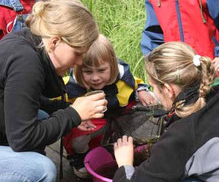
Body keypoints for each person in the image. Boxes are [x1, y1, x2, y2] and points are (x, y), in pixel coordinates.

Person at [0, 0, 107, 182]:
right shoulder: (26, 64)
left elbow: (24, 100)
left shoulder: (25, 41)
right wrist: (73, 114)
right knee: (41, 169)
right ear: (55, 42)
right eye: (78, 53)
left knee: (43, 116)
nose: (79, 61)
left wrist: (65, 111)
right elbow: (23, 138)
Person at [113, 42, 219, 181]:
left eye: (154, 88)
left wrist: (124, 163)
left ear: (168, 89)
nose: (154, 93)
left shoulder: (183, 135)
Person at [62, 34, 158, 178]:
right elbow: (57, 103)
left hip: (119, 114)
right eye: (88, 71)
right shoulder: (71, 85)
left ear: (112, 66)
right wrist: (75, 115)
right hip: (91, 122)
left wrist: (142, 90)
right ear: (78, 69)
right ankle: (80, 156)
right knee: (77, 138)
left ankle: (123, 145)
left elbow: (135, 82)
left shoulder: (121, 76)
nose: (95, 77)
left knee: (153, 98)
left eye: (101, 70)